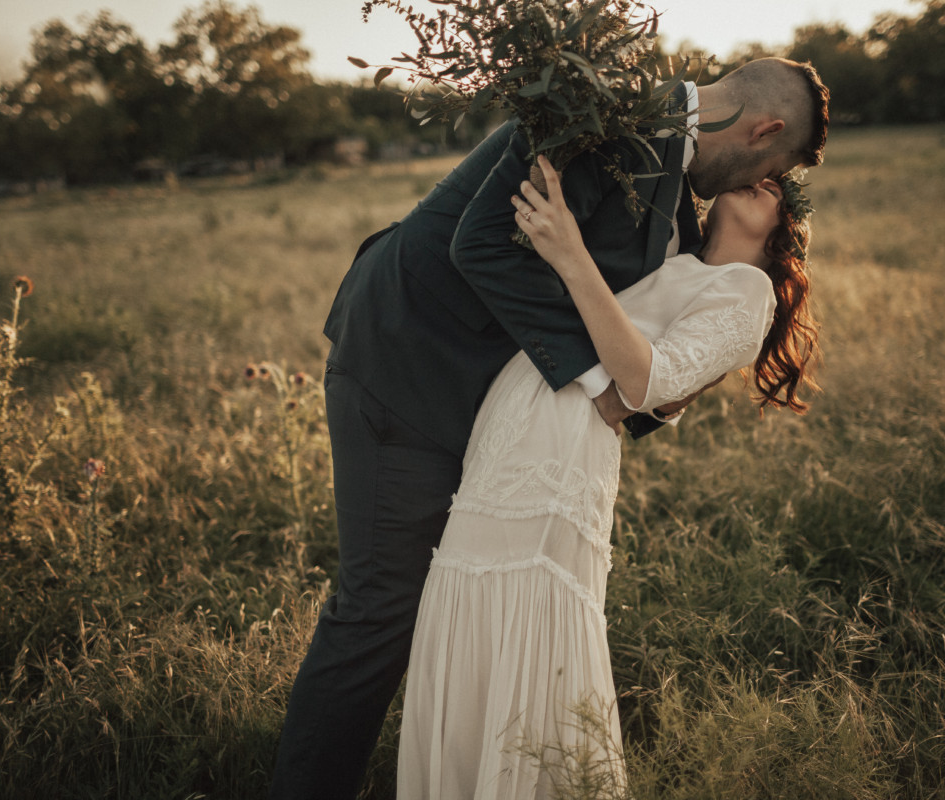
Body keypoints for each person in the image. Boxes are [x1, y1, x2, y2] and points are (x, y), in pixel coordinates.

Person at [270, 58, 828, 799]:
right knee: (382, 609)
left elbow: (655, 326)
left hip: (486, 413)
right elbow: (482, 246)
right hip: (407, 365)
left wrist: (653, 396)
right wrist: (607, 386)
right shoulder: (614, 117)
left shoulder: (675, 181)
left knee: (462, 605)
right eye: (773, 167)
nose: (755, 186)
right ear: (766, 130)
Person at [396, 155, 818, 798]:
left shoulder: (746, 290)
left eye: (777, 188)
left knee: (526, 611)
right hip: (512, 427)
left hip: (562, 447)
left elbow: (648, 381)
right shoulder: (675, 256)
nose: (763, 179)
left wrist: (569, 254)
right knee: (470, 599)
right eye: (761, 171)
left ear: (783, 231)